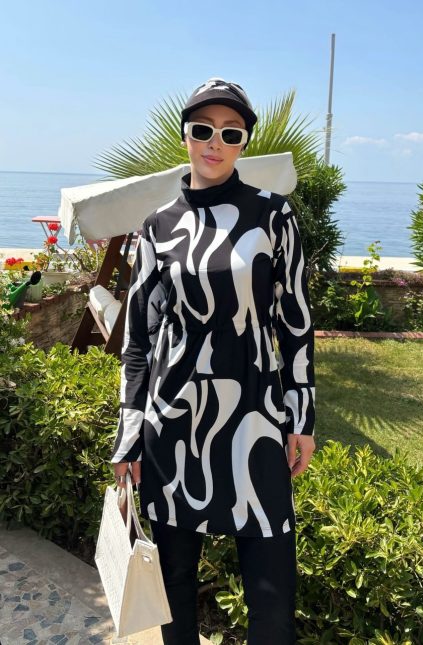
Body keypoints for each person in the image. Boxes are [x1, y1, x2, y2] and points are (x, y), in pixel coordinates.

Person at [111, 77, 316, 645]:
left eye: (231, 132)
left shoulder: (274, 216)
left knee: (272, 593)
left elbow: (295, 323)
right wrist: (128, 435)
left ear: (244, 141)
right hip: (173, 424)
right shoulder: (157, 226)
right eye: (203, 129)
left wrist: (301, 416)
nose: (215, 142)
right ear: (186, 135)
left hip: (256, 418)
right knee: (173, 584)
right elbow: (137, 339)